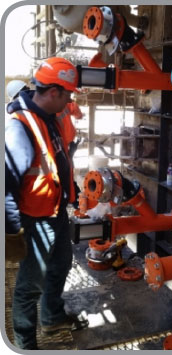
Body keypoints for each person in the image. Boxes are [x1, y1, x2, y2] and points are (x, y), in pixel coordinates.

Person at [5, 57, 88, 350]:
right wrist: (12, 231)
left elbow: (57, 159)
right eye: (67, 95)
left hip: (55, 212)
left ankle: (52, 318)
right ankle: (25, 344)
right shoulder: (20, 128)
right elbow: (6, 185)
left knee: (61, 264)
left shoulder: (49, 117)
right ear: (53, 92)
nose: (69, 102)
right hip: (34, 220)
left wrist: (71, 189)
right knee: (29, 287)